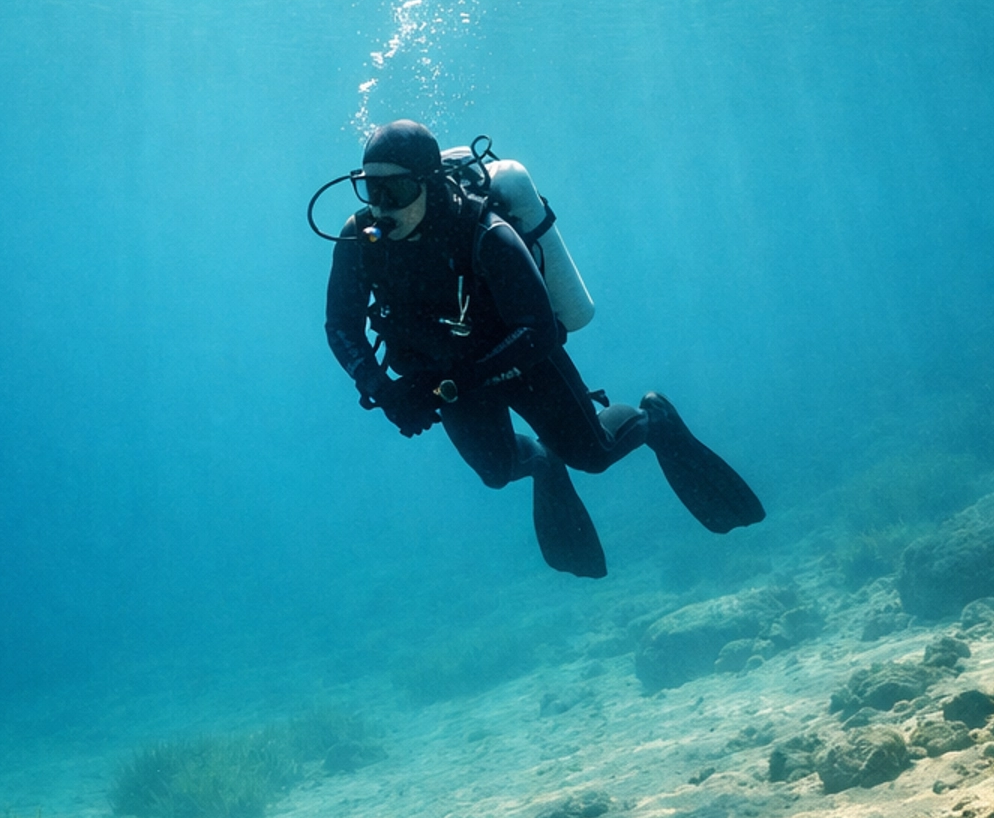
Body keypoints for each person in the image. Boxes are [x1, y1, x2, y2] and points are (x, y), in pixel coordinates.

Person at [322, 120, 764, 577]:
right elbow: (340, 326)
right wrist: (383, 389)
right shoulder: (360, 241)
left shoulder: (486, 233)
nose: (380, 207)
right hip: (446, 375)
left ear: (430, 183)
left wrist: (447, 385)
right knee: (496, 472)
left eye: (396, 190)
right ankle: (544, 461)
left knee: (594, 455)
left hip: (523, 359)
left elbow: (539, 331)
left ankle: (656, 420)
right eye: (370, 189)